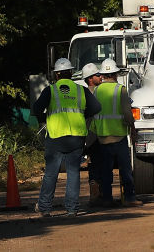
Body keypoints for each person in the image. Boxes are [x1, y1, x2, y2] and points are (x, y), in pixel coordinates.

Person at [32, 57, 100, 217]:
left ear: (56, 75)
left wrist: (44, 121)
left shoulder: (51, 90)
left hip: (55, 138)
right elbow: (97, 107)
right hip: (76, 138)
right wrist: (83, 115)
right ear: (70, 73)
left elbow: (36, 108)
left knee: (51, 174)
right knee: (73, 173)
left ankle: (45, 208)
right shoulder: (80, 90)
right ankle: (71, 209)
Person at [93, 57, 142, 207]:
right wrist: (133, 130)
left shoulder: (97, 90)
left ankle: (107, 198)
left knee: (106, 171)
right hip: (119, 136)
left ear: (103, 75)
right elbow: (127, 113)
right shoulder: (120, 89)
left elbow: (93, 113)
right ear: (115, 74)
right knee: (125, 170)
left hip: (102, 136)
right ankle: (129, 198)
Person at [80, 62, 103, 205]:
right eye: (97, 75)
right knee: (97, 164)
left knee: (95, 164)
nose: (100, 76)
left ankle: (96, 195)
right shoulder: (90, 93)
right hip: (94, 134)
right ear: (90, 78)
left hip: (93, 134)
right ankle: (97, 195)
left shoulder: (84, 93)